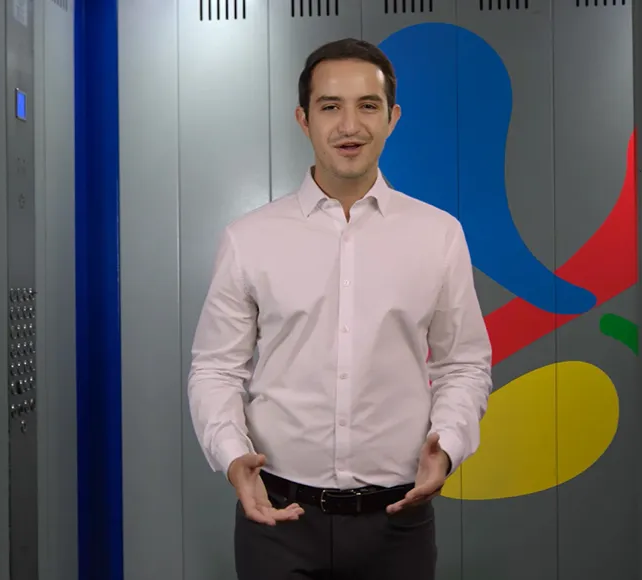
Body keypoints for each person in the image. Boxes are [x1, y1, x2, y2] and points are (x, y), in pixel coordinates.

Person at [187, 37, 493, 580]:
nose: (349, 125)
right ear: (304, 119)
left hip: (398, 522)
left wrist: (446, 445)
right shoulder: (249, 238)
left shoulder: (439, 236)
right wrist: (234, 457)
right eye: (331, 106)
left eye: (367, 106)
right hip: (278, 520)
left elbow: (463, 364)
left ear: (392, 118)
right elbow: (216, 368)